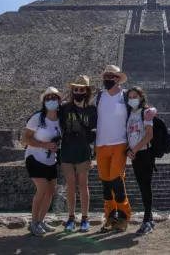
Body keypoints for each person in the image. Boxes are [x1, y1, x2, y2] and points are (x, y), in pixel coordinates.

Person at [94, 65, 156, 233]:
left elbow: (142, 107)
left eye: (110, 76)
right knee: (105, 182)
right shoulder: (98, 96)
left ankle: (123, 215)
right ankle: (110, 216)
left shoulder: (126, 96)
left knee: (116, 180)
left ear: (117, 79)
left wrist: (153, 110)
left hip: (120, 143)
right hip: (101, 144)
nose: (106, 79)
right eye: (105, 76)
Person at [22, 87, 63, 237]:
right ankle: (33, 222)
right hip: (35, 158)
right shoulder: (37, 118)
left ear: (59, 101)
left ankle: (41, 220)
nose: (51, 101)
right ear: (44, 102)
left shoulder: (60, 120)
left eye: (54, 98)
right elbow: (26, 138)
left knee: (51, 191)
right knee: (43, 189)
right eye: (48, 99)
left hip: (50, 160)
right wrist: (44, 145)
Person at [59, 75, 98, 233]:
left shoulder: (92, 110)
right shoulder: (65, 108)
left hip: (83, 150)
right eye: (75, 89)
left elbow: (95, 130)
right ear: (72, 91)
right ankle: (71, 217)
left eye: (81, 89)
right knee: (70, 186)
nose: (78, 91)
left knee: (83, 185)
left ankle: (85, 218)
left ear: (86, 91)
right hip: (67, 150)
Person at [126, 87, 156, 235]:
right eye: (130, 96)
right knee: (142, 186)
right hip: (135, 155)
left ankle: (146, 221)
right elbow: (129, 135)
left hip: (145, 154)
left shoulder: (146, 113)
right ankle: (149, 219)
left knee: (145, 186)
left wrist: (135, 149)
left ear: (141, 97)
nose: (132, 99)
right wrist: (128, 150)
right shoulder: (130, 114)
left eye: (135, 96)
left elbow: (149, 135)